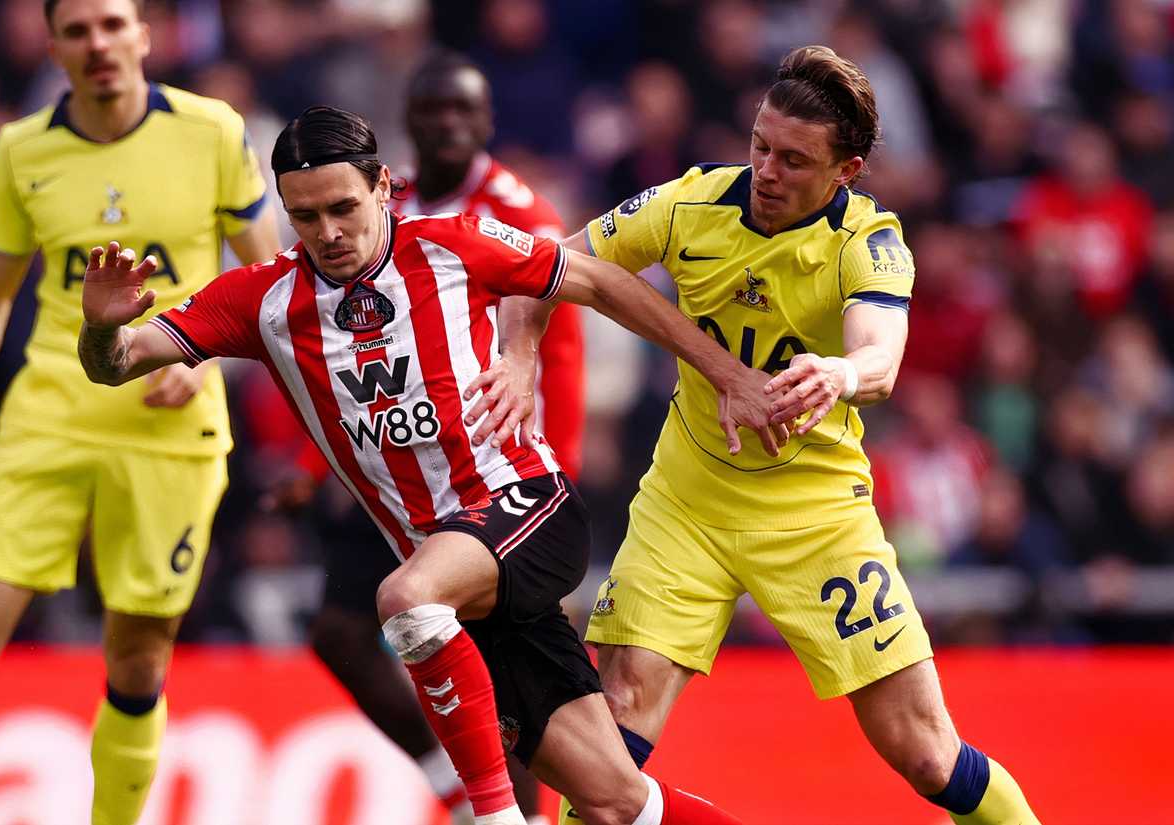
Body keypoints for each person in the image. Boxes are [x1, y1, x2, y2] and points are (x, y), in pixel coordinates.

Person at [78, 105, 773, 825]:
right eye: (305, 216)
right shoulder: (263, 299)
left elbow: (598, 282)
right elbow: (119, 364)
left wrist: (729, 376)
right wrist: (101, 329)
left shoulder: (456, 245)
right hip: (454, 588)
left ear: (384, 186)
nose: (328, 233)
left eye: (344, 207)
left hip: (526, 509)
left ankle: (492, 819)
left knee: (403, 598)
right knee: (615, 803)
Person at [542, 46, 1041, 824]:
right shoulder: (688, 204)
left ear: (847, 169)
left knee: (923, 751)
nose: (768, 171)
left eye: (795, 160)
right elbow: (556, 265)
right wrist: (513, 359)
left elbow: (880, 355)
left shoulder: (867, 241)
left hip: (816, 516)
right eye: (760, 146)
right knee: (616, 724)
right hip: (688, 501)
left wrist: (840, 373)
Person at [0, 2, 279, 824]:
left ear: (146, 34)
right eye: (78, 30)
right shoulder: (21, 149)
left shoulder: (212, 132)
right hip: (49, 417)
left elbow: (273, 284)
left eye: (112, 24)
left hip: (169, 426)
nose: (97, 44)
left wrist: (204, 356)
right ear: (54, 44)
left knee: (137, 658)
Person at [274, 52, 582, 824]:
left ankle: (522, 809)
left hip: (493, 472)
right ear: (404, 127)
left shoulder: (514, 209)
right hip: (394, 471)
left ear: (486, 123)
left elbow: (559, 336)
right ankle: (452, 780)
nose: (448, 123)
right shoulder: (369, 204)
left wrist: (557, 467)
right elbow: (353, 355)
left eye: (463, 111)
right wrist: (318, 467)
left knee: (495, 663)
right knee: (338, 632)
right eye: (433, 110)